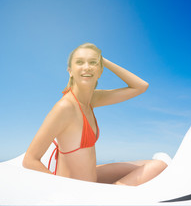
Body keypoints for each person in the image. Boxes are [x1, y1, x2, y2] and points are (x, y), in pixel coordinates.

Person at [23, 43, 168, 186]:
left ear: (100, 71)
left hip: (92, 176)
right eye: (79, 62)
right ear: (70, 71)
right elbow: (30, 160)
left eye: (93, 62)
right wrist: (62, 191)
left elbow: (141, 86)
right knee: (158, 167)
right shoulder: (65, 107)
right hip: (79, 189)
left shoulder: (92, 99)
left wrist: (103, 60)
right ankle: (112, 193)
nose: (86, 67)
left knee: (155, 164)